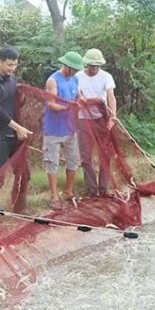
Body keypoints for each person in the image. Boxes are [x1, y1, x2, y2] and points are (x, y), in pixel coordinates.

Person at [0, 45, 32, 210]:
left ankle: (19, 205)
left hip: (13, 133)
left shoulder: (12, 81)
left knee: (23, 171)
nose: (12, 68)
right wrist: (17, 127)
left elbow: (15, 105)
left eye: (15, 65)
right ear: (0, 62)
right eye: (9, 64)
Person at [43, 51, 83, 210]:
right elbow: (51, 104)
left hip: (70, 128)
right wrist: (68, 107)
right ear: (67, 66)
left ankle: (69, 190)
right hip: (53, 129)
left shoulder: (76, 79)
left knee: (74, 160)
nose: (76, 72)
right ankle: (54, 196)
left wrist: (81, 102)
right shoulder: (53, 81)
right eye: (74, 69)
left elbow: (78, 97)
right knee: (52, 162)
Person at [75, 48, 117, 196]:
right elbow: (77, 94)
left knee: (105, 155)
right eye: (92, 65)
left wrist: (112, 117)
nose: (94, 68)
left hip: (101, 119)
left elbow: (111, 97)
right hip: (83, 120)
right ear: (86, 64)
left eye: (97, 65)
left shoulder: (106, 77)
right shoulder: (78, 76)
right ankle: (91, 189)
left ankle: (104, 189)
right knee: (85, 157)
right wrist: (81, 99)